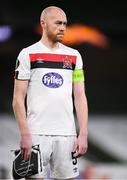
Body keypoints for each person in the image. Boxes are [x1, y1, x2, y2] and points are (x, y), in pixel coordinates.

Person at [12, 6, 88, 179]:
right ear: (43, 24)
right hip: (36, 134)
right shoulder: (27, 54)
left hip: (67, 135)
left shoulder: (74, 56)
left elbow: (80, 97)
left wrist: (82, 133)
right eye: (58, 23)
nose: (62, 28)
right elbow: (17, 99)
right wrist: (25, 134)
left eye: (65, 24)